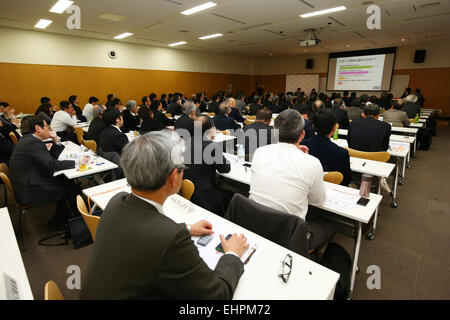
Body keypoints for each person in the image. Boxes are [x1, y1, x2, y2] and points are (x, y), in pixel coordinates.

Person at [80, 131, 248, 299]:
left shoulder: (118, 201)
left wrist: (187, 228)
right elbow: (217, 295)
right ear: (174, 177)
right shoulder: (171, 239)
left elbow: (141, 232)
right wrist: (233, 254)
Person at [249, 109, 334, 249]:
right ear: (302, 134)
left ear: (275, 133)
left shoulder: (260, 152)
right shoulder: (312, 163)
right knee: (329, 227)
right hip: (289, 235)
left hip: (256, 224)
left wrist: (294, 151)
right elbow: (317, 201)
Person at [9, 115, 86, 226]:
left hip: (30, 180)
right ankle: (59, 223)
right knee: (71, 191)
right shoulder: (32, 143)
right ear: (38, 128)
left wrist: (56, 140)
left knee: (68, 182)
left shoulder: (28, 140)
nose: (49, 129)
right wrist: (77, 162)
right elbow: (51, 164)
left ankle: (69, 216)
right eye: (46, 126)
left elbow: (51, 159)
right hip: (30, 188)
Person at [183, 115, 234, 216]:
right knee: (233, 195)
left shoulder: (186, 142)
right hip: (205, 196)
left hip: (186, 192)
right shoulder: (211, 146)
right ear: (211, 129)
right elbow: (225, 169)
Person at [301, 109, 352, 186]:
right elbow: (347, 180)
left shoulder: (302, 146)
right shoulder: (342, 153)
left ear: (313, 126)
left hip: (306, 187)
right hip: (332, 191)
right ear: (335, 127)